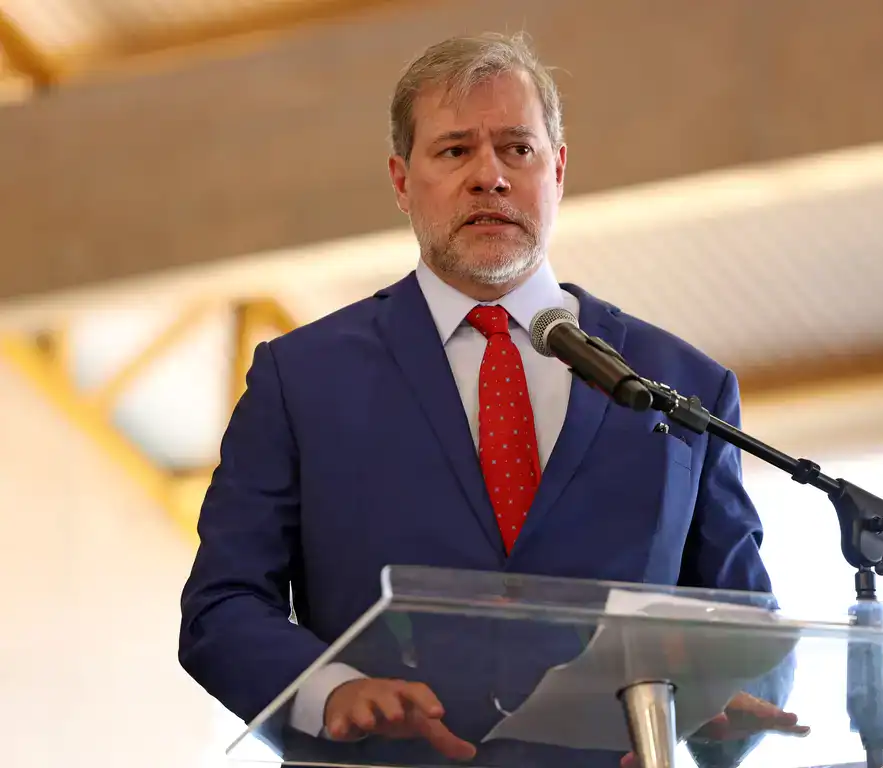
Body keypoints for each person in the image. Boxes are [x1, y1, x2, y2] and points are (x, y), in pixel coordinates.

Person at [179, 31, 805, 767]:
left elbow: (745, 624)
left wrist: (730, 704)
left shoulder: (686, 385)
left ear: (557, 170)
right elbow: (224, 605)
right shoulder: (301, 379)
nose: (490, 177)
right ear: (400, 180)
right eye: (454, 151)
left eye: (517, 149)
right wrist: (330, 690)